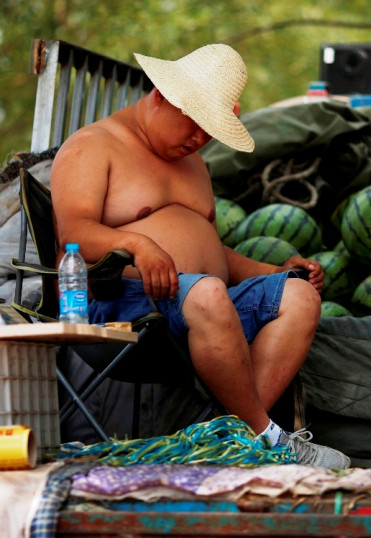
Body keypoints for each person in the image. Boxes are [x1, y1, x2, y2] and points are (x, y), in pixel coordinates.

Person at [49, 43, 350, 469]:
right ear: (160, 96)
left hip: (205, 305)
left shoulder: (194, 165)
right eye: (196, 123)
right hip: (125, 309)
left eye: (210, 130)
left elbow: (210, 249)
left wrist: (277, 272)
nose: (200, 139)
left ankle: (227, 440)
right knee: (208, 292)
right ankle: (267, 439)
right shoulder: (93, 146)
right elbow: (72, 234)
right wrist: (137, 245)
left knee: (298, 296)